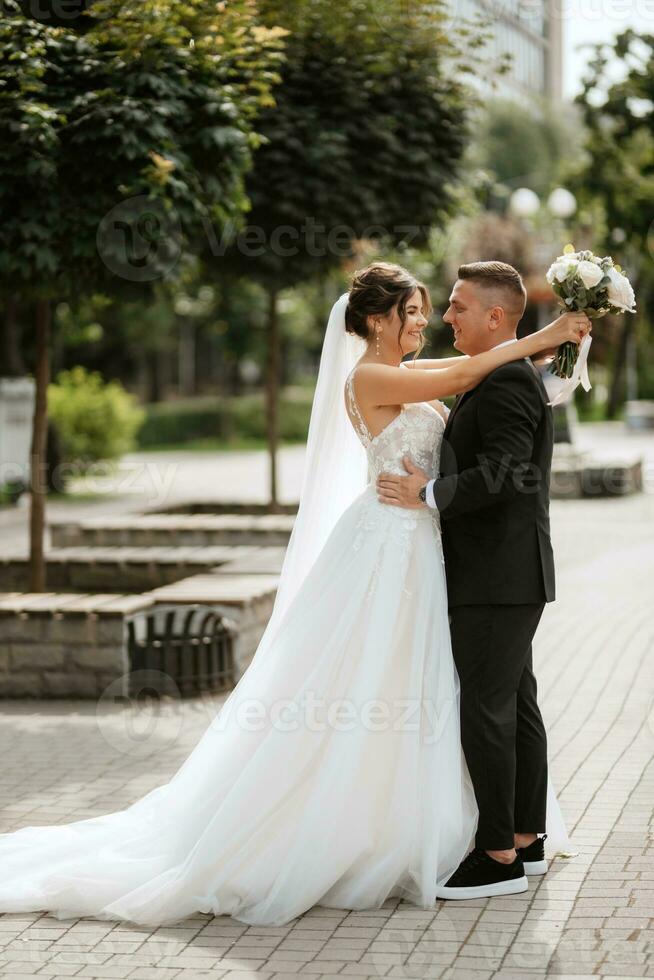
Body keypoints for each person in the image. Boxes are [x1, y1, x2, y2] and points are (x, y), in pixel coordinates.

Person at [0, 262, 589, 926]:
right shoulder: (368, 375)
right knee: (373, 681)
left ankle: (478, 833)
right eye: (414, 312)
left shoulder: (414, 376)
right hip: (386, 545)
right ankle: (387, 828)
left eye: (433, 309)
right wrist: (543, 338)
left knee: (439, 688)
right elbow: (460, 377)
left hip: (423, 549)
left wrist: (558, 359)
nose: (426, 321)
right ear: (375, 320)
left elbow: (466, 393)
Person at [376, 260, 577, 899]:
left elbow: (507, 474)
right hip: (505, 574)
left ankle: (496, 858)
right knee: (514, 704)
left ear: (496, 316)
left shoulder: (508, 382)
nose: (446, 316)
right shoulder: (495, 376)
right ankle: (524, 839)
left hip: (496, 575)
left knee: (487, 710)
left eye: (458, 306)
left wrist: (428, 491)